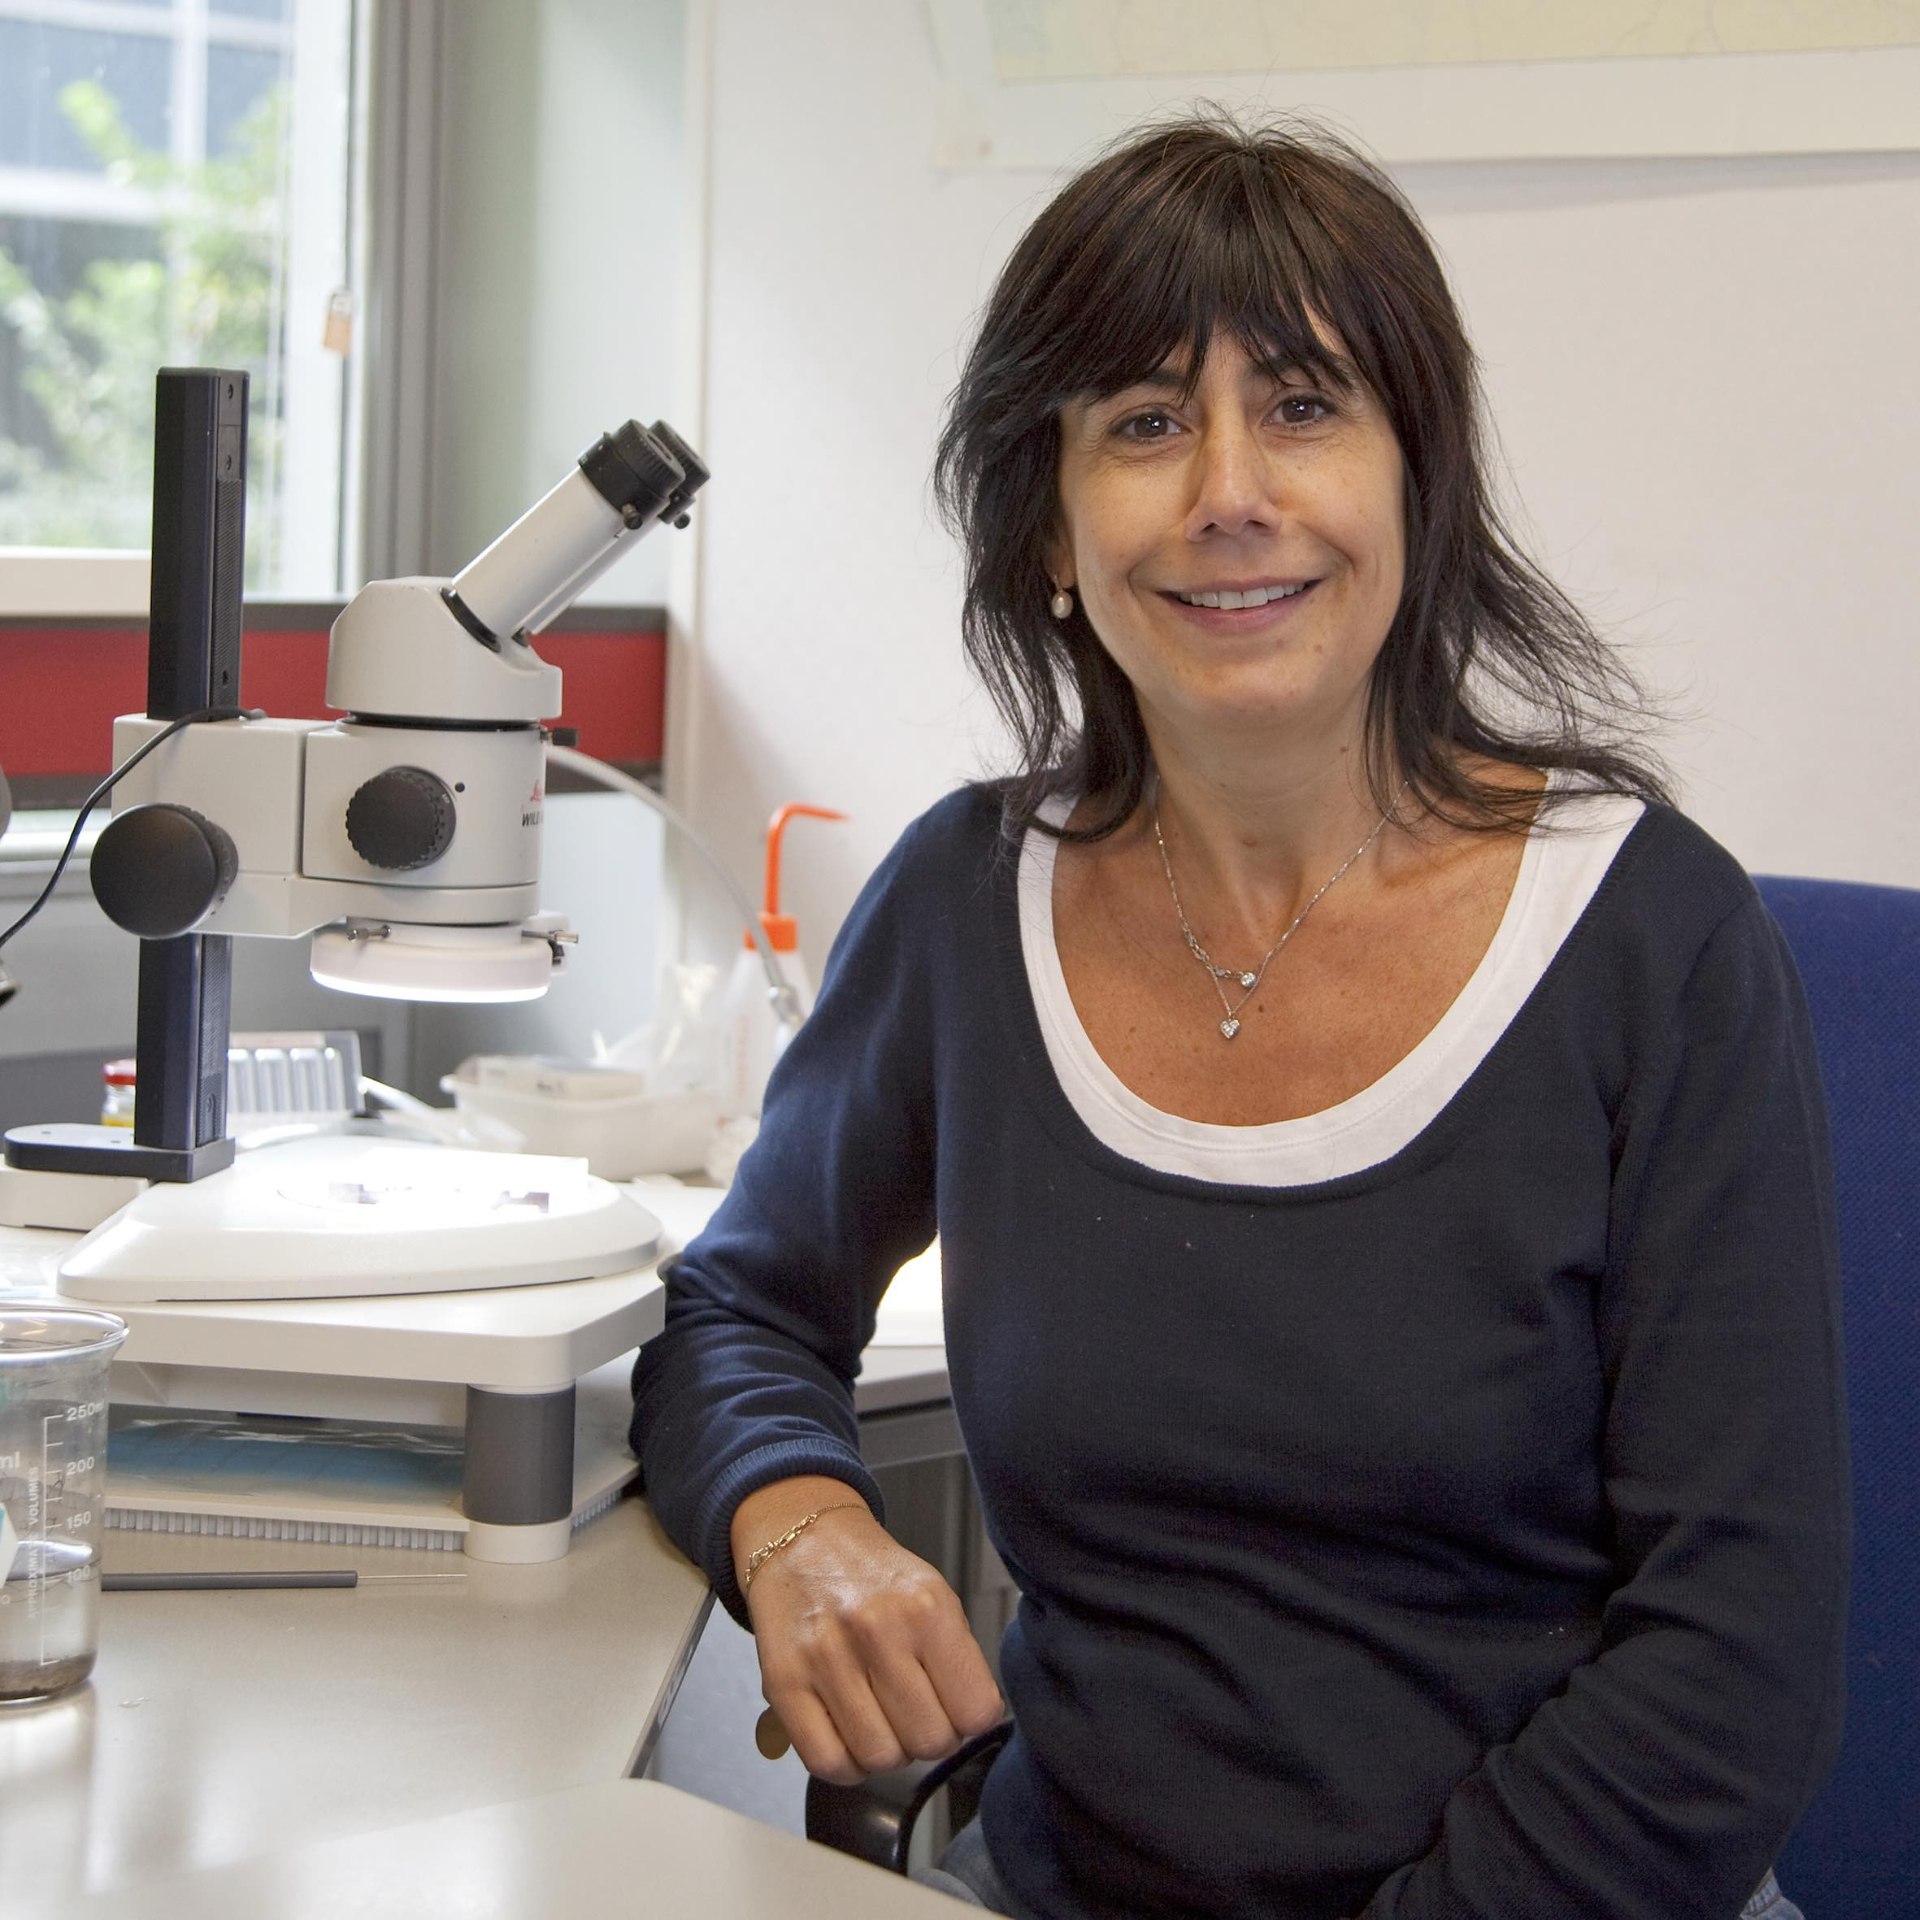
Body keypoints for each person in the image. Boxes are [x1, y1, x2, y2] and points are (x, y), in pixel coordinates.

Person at [630, 114, 1848, 1920]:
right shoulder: (975, 901)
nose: (1226, 491)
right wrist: (798, 1524)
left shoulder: (1647, 938)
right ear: (1048, 529)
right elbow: (736, 1304)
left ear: (1415, 483)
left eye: (1301, 406)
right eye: (1139, 423)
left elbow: (1733, 1653)